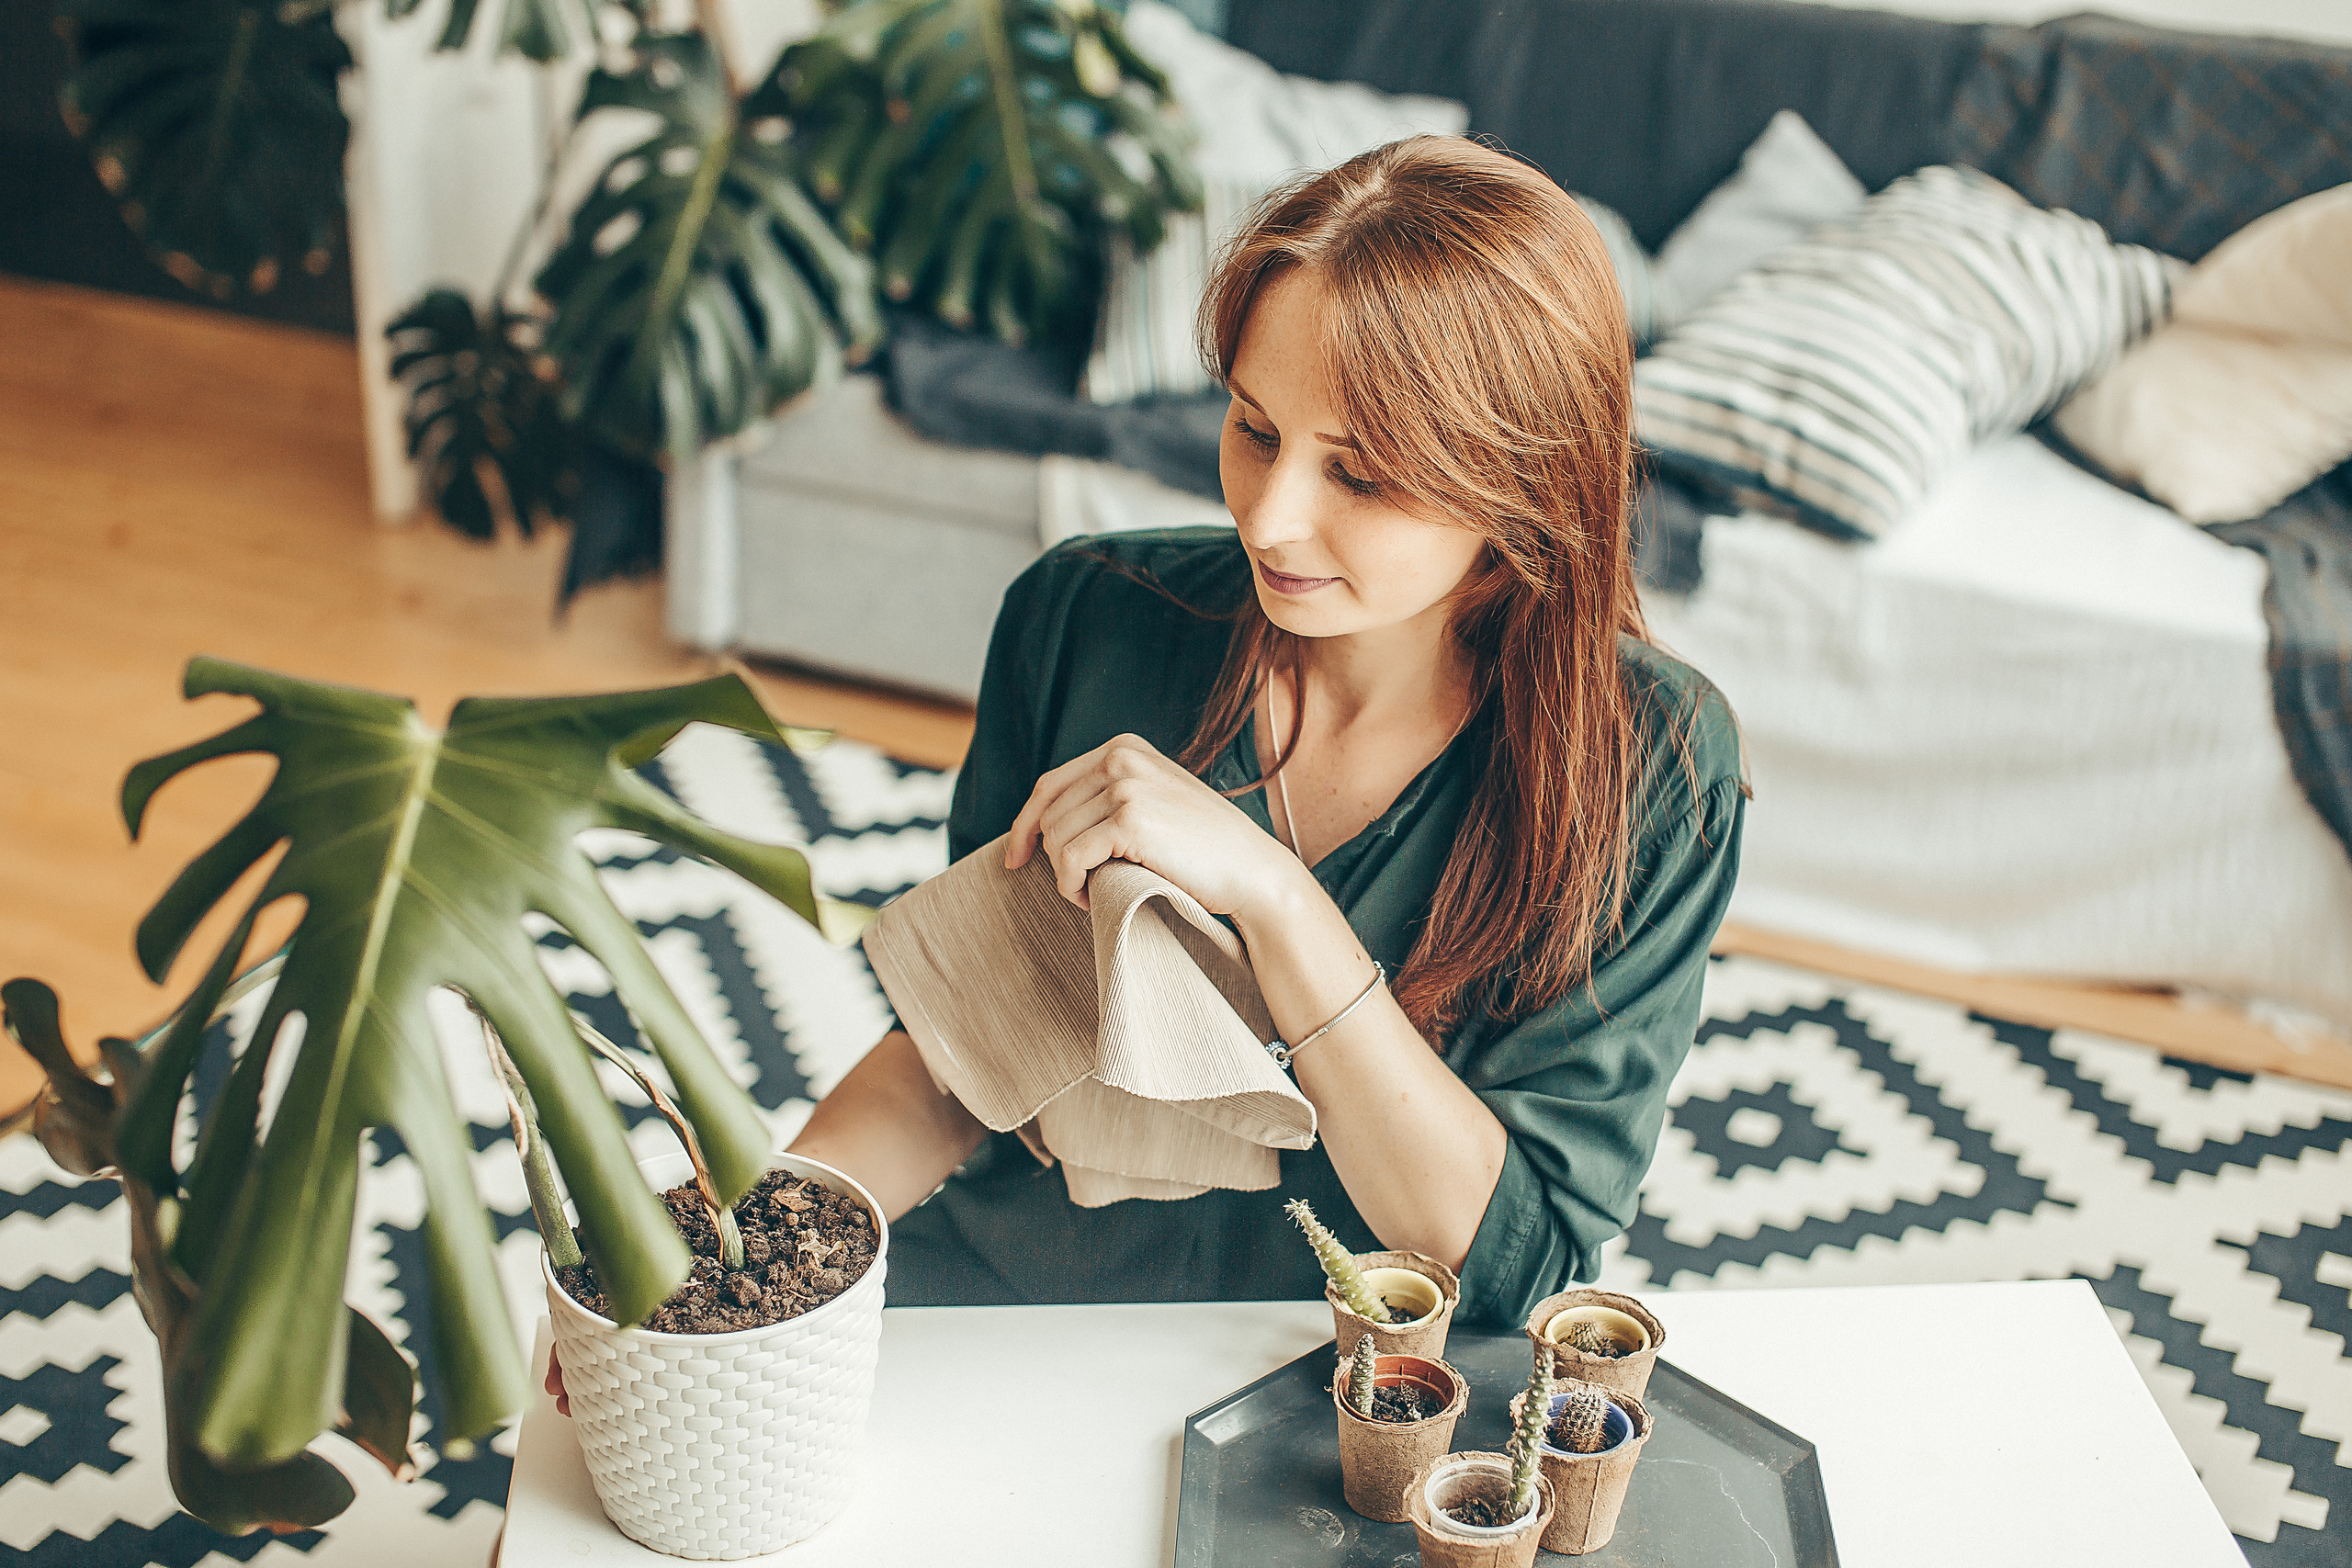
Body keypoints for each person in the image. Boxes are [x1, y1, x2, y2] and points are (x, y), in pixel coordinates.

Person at [552, 134, 1743, 1412]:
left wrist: (1276, 901)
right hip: (1010, 1313)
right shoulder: (1086, 612)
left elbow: (1515, 1270)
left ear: (1520, 475)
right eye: (1253, 427)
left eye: (1361, 472)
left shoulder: (1650, 766)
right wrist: (731, 1276)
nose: (1271, 517)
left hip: (1343, 1404)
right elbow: (964, 1063)